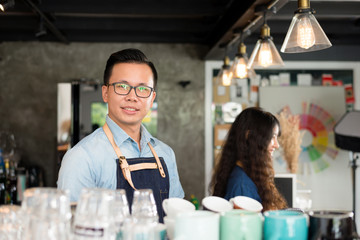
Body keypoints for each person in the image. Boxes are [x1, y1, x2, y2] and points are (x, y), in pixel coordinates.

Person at [57, 48, 184, 221]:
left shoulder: (166, 154)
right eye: (122, 87)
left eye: (143, 89)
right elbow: (70, 229)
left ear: (152, 98)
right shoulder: (81, 158)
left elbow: (178, 219)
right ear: (105, 93)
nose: (132, 97)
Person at [210, 107, 287, 211]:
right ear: (249, 136)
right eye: (272, 137)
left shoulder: (247, 174)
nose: (276, 145)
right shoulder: (242, 186)